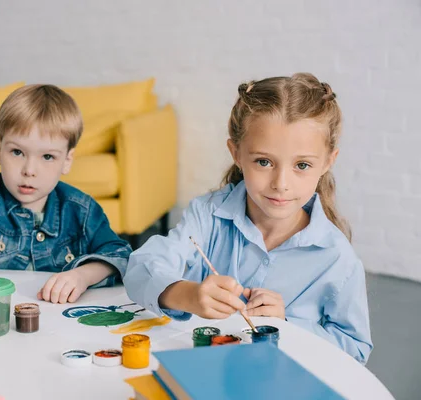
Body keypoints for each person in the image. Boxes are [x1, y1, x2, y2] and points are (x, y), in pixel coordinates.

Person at [123, 73, 372, 364]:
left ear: (328, 162)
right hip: (195, 371)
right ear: (237, 154)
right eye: (263, 162)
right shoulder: (207, 216)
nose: (281, 183)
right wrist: (185, 294)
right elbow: (140, 268)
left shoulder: (337, 258)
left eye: (302, 165)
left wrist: (285, 326)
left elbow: (355, 350)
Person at [0, 84, 131, 304]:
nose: (29, 170)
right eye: (17, 152)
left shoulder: (82, 209)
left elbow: (120, 255)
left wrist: (83, 275)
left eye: (47, 157)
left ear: (67, 160)